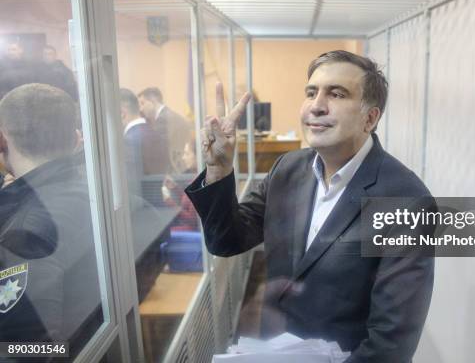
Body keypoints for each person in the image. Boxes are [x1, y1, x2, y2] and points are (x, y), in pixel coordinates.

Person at [185, 51, 435, 362]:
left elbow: (390, 345)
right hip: (276, 347)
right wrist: (219, 170)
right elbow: (227, 240)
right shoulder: (287, 168)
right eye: (311, 92)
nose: (316, 106)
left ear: (370, 118)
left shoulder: (407, 201)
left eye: (337, 93)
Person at [0, 83, 102, 351]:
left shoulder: (25, 231)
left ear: (3, 138)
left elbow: (30, 349)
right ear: (75, 139)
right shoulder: (96, 194)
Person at [138, 87, 190, 174]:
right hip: (181, 170)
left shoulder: (163, 120)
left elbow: (159, 154)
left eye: (142, 103)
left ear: (153, 101)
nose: (141, 109)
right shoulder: (171, 116)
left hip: (172, 173)